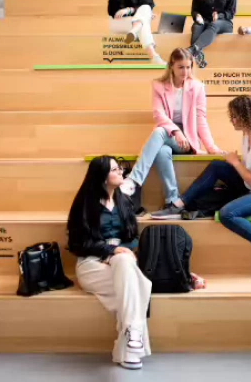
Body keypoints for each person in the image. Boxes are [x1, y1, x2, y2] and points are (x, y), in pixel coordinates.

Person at [153, 95, 251, 276]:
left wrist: (235, 163)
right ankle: (179, 204)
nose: (232, 120)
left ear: (247, 115)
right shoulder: (247, 136)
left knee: (227, 214)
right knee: (217, 166)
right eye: (231, 116)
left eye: (235, 116)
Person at [67, 155, 152, 370]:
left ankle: (130, 340)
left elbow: (133, 236)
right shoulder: (85, 204)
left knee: (125, 266)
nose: (121, 171)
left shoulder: (124, 201)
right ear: (103, 177)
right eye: (115, 169)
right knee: (139, 286)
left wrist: (121, 253)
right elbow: (77, 243)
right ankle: (131, 346)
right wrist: (110, 252)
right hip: (91, 265)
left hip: (121, 265)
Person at [121, 48, 222, 214]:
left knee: (159, 132)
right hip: (168, 135)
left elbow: (201, 120)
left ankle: (134, 180)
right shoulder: (159, 86)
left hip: (186, 140)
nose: (185, 71)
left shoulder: (197, 87)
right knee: (162, 150)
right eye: (181, 67)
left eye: (189, 67)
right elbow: (158, 115)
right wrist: (175, 131)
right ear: (171, 66)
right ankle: (171, 200)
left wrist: (211, 148)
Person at [188, 0, 237, 69]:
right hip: (204, 21)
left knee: (214, 24)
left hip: (223, 23)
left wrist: (219, 15)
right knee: (196, 26)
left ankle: (191, 50)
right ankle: (198, 56)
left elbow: (231, 12)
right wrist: (197, 16)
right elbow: (194, 9)